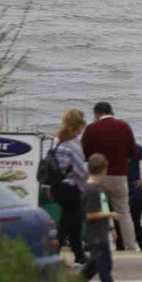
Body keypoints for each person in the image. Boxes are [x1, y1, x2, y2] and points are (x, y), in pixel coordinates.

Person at [81, 101, 141, 251]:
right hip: (119, 176)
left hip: (98, 177)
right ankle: (131, 247)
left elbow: (85, 153)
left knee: (100, 211)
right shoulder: (124, 126)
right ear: (112, 112)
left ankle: (101, 245)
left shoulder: (91, 129)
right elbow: (133, 152)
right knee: (124, 213)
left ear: (96, 114)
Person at [80, 153, 134, 282]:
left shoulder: (98, 188)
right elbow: (90, 214)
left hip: (102, 232)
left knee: (94, 265)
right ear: (104, 170)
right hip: (95, 234)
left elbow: (102, 208)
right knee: (104, 264)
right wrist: (111, 214)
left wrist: (111, 228)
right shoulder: (91, 190)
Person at [53, 109, 89, 264]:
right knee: (68, 222)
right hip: (71, 187)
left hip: (57, 185)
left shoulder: (57, 140)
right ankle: (54, 253)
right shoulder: (73, 144)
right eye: (82, 126)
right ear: (77, 126)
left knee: (74, 220)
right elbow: (81, 170)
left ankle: (79, 254)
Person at [122, 143, 142, 252]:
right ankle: (121, 249)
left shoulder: (133, 148)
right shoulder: (110, 147)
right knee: (121, 224)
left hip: (135, 191)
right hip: (119, 190)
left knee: (135, 223)